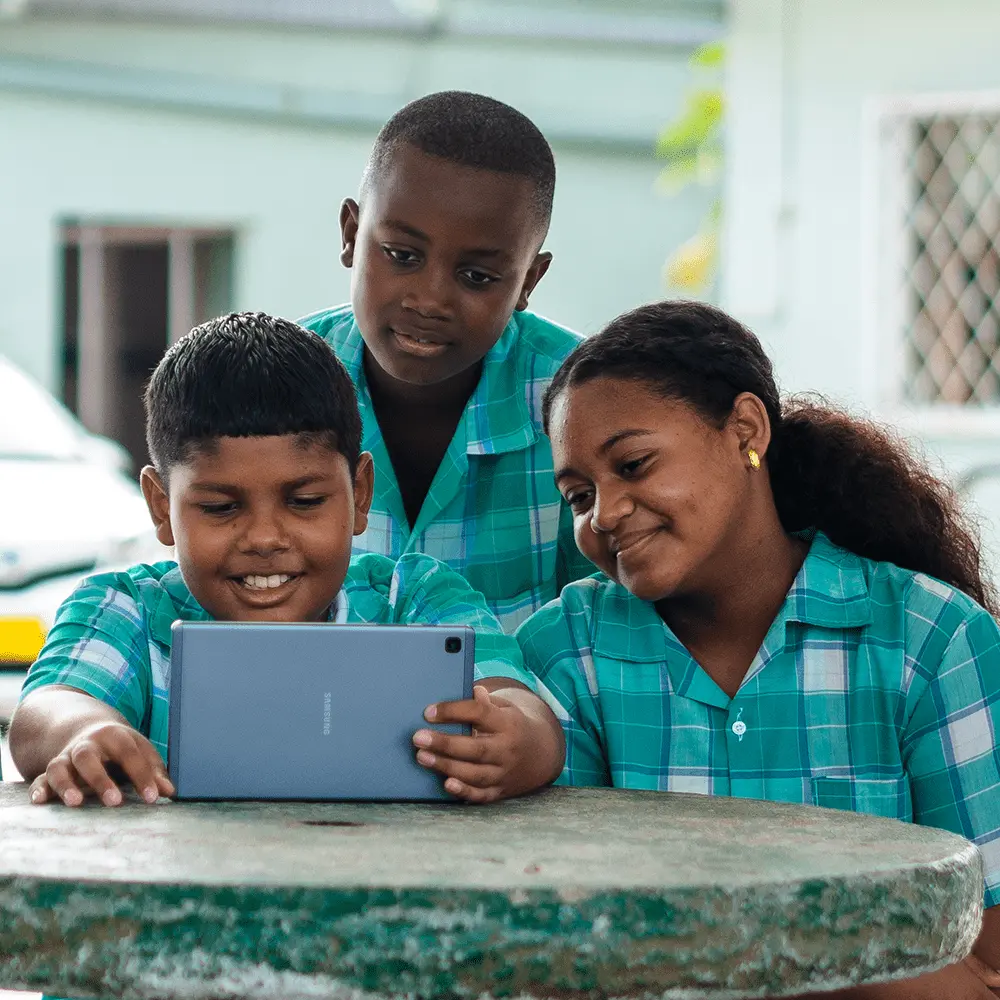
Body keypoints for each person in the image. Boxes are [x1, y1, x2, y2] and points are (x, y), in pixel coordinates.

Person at [516, 300, 1000, 997]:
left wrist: (694, 935)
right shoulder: (565, 655)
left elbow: (982, 958)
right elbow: (566, 947)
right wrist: (853, 945)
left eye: (634, 463)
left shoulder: (932, 640)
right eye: (578, 495)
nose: (606, 513)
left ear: (746, 429)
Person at [9, 312, 564, 807]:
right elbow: (47, 709)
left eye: (304, 502)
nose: (265, 538)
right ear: (161, 507)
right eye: (221, 507)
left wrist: (519, 744)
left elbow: (520, 706)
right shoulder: (125, 609)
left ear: (360, 495)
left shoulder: (415, 596)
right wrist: (84, 731)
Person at [299, 90, 591, 633]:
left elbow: (605, 622)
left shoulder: (582, 402)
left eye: (477, 276)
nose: (429, 300)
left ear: (528, 280)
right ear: (350, 234)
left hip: (523, 715)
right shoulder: (275, 383)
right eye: (402, 256)